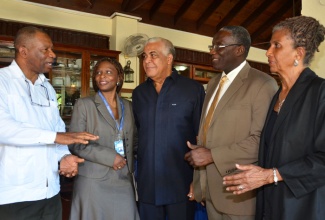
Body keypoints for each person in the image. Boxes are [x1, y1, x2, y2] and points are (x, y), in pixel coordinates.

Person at [223, 16, 325, 220]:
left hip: (303, 207)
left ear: (299, 53)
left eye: (276, 45)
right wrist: (259, 171)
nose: (268, 52)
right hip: (271, 204)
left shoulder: (320, 92)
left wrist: (271, 175)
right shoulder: (277, 95)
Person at [0, 26, 99, 220]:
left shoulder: (47, 87)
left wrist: (63, 157)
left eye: (51, 49)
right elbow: (3, 128)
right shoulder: (3, 81)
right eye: (45, 49)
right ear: (23, 50)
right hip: (16, 194)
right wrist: (56, 137)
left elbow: (57, 128)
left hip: (51, 191)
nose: (52, 55)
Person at [184, 26, 278, 220]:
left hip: (239, 194)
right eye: (212, 46)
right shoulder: (212, 84)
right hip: (210, 190)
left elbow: (261, 141)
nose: (212, 51)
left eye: (219, 46)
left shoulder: (262, 84)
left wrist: (211, 155)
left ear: (239, 49)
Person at [132, 37, 205, 220]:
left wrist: (197, 182)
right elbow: (137, 135)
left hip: (180, 184)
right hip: (147, 185)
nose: (147, 60)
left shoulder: (193, 89)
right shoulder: (139, 93)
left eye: (153, 55)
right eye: (144, 56)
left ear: (169, 59)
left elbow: (202, 138)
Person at [68, 57, 139, 220]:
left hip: (123, 178)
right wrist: (110, 157)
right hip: (93, 181)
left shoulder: (128, 106)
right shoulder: (84, 105)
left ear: (119, 77)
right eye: (98, 73)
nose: (102, 76)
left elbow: (134, 140)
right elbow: (76, 143)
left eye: (108, 72)